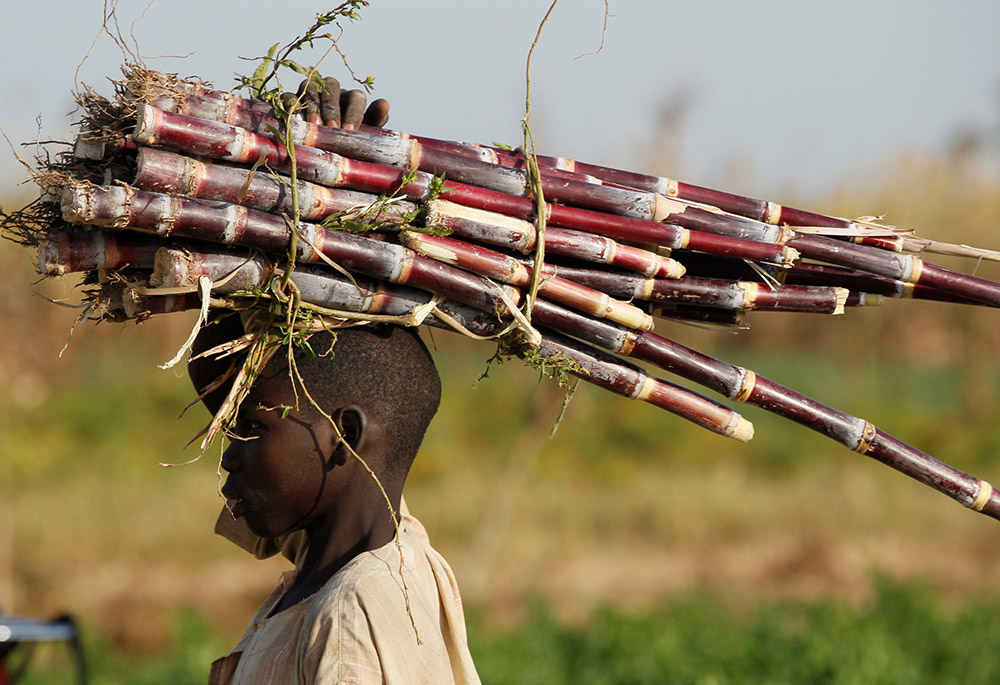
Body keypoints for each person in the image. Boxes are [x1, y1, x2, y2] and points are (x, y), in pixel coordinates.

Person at [188, 79, 481, 684]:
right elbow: (220, 368)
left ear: (343, 439)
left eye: (249, 428)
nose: (227, 458)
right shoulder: (350, 547)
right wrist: (308, 204)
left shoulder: (350, 618)